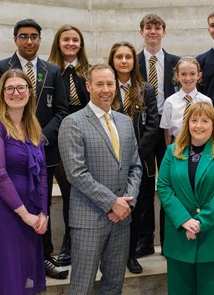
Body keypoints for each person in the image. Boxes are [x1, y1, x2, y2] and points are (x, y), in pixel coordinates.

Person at [0, 18, 69, 279]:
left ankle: (44, 256)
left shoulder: (52, 70)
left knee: (41, 199)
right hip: (9, 149)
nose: (29, 41)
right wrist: (16, 135)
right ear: (15, 39)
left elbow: (61, 110)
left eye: (34, 36)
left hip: (42, 147)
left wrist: (38, 136)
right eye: (23, 36)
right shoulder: (0, 68)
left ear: (40, 40)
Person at [58, 64, 142, 294]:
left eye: (110, 84)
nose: (106, 89)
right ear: (88, 87)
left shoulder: (124, 122)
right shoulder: (72, 122)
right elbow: (76, 173)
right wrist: (112, 202)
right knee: (82, 285)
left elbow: (135, 166)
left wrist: (126, 204)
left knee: (113, 284)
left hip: (122, 218)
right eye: (99, 84)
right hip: (89, 219)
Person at [0, 69, 48, 294]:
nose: (16, 93)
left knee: (22, 276)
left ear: (29, 93)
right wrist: (25, 214)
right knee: (4, 277)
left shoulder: (33, 127)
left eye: (21, 88)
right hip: (4, 212)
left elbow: (43, 173)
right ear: (2, 93)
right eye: (10, 88)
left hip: (30, 212)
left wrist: (43, 213)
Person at [157, 102, 214, 295]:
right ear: (187, 124)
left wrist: (199, 223)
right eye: (194, 120)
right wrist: (184, 219)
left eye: (205, 120)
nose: (199, 125)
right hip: (179, 237)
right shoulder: (172, 151)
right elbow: (164, 186)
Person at [108, 41, 159, 274]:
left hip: (141, 160)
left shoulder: (146, 89)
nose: (124, 61)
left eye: (128, 57)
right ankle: (112, 254)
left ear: (134, 61)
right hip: (111, 159)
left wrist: (136, 155)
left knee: (138, 209)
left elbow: (152, 125)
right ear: (113, 60)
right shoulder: (107, 88)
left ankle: (130, 255)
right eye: (119, 57)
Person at [137, 14, 180, 256]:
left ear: (164, 32)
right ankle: (144, 239)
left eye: (157, 27)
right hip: (143, 131)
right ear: (141, 32)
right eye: (148, 28)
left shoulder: (176, 63)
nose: (153, 31)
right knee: (143, 186)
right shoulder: (132, 62)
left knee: (169, 186)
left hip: (169, 133)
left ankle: (167, 239)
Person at [48, 24, 91, 267]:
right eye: (66, 40)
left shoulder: (88, 71)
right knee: (68, 192)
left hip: (84, 139)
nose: (71, 44)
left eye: (76, 40)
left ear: (81, 44)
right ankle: (67, 241)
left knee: (79, 194)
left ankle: (76, 240)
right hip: (57, 139)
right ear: (58, 42)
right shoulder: (49, 70)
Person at [160, 56, 212, 145]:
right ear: (177, 76)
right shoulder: (170, 102)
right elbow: (167, 131)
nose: (188, 78)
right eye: (183, 74)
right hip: (177, 144)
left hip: (201, 144)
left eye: (192, 74)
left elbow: (210, 127)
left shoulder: (206, 101)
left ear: (199, 75)